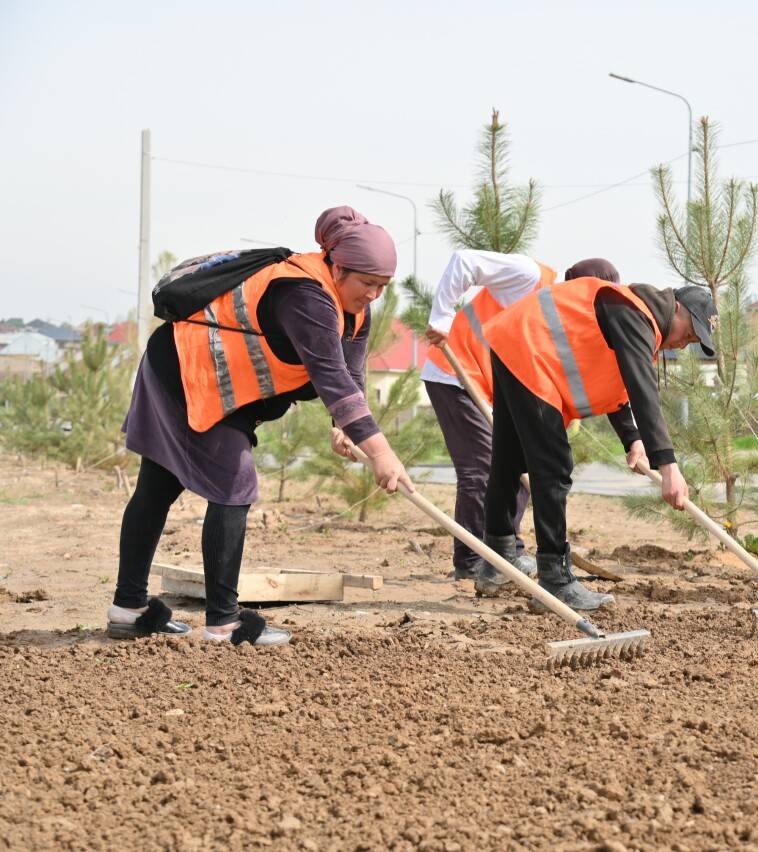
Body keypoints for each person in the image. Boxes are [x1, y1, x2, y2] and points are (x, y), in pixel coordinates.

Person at [107, 206, 414, 646]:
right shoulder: (306, 294)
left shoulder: (354, 311)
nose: (374, 295)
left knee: (160, 488)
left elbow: (349, 378)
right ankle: (224, 624)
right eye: (367, 283)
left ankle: (129, 608)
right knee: (232, 484)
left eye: (383, 287)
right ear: (338, 266)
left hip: (215, 384)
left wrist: (342, 426)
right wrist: (382, 453)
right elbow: (330, 376)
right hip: (186, 373)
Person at [475, 278, 717, 610]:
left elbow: (617, 384)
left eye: (693, 342)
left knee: (511, 457)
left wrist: (633, 439)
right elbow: (643, 391)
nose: (684, 344)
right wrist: (668, 466)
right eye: (689, 332)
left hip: (515, 340)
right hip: (530, 347)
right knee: (554, 466)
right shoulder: (635, 314)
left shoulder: (633, 317)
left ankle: (497, 560)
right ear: (677, 308)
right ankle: (555, 579)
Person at [419, 251, 621, 580]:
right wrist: (441, 317)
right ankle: (472, 561)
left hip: (495, 389)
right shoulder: (529, 277)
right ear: (579, 291)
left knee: (521, 462)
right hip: (456, 372)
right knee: (481, 469)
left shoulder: (571, 322)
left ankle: (505, 552)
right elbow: (464, 261)